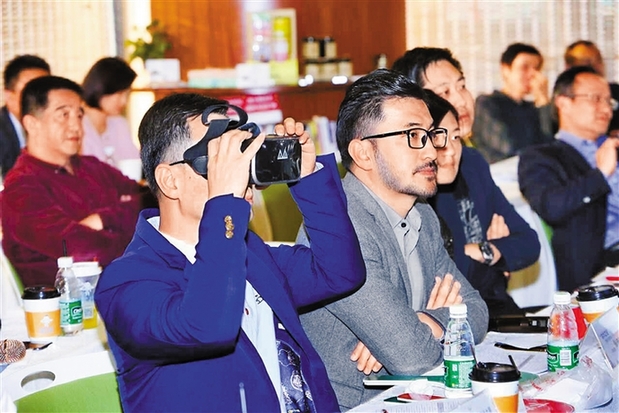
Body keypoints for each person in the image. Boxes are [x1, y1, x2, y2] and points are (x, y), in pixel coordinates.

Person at [94, 93, 366, 412]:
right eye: (220, 161)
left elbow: (339, 272)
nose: (239, 175)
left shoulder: (250, 253)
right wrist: (225, 202)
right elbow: (207, 326)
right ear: (170, 181)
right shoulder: (125, 284)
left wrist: (307, 176)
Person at [298, 70, 489, 409]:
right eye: (413, 135)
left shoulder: (423, 215)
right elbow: (413, 357)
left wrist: (424, 321)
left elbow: (477, 310)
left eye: (430, 134)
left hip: (414, 398)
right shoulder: (339, 228)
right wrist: (420, 330)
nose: (431, 151)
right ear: (363, 153)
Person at [393, 47, 541, 317]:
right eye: (445, 91)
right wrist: (494, 263)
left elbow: (529, 244)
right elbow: (440, 277)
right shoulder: (412, 180)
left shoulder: (471, 161)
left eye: (462, 86)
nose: (461, 100)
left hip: (492, 311)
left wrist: (483, 251)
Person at [1, 76, 141, 287]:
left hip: (124, 282)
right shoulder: (21, 187)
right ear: (31, 124)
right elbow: (82, 249)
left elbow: (149, 202)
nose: (76, 126)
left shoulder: (92, 167)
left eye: (79, 115)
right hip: (69, 301)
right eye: (64, 115)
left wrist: (103, 219)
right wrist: (138, 237)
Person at [519, 66, 619, 292]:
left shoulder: (613, 145)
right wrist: (600, 175)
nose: (606, 109)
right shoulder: (542, 157)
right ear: (563, 102)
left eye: (609, 102)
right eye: (596, 98)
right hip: (601, 269)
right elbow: (551, 206)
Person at [473, 43, 554, 163]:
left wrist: (543, 101)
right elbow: (509, 147)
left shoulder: (535, 108)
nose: (532, 74)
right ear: (505, 70)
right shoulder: (487, 103)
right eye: (525, 67)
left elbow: (550, 148)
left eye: (537, 69)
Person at [540, 40, 619, 137]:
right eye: (587, 62)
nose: (606, 109)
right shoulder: (565, 92)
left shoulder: (615, 91)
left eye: (598, 60)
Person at [81, 57, 139, 165]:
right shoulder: (76, 125)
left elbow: (133, 162)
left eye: (127, 94)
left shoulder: (119, 124)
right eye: (119, 94)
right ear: (102, 87)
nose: (124, 101)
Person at [1, 55, 50, 178]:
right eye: (30, 92)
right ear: (8, 96)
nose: (39, 100)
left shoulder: (55, 126)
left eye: (44, 92)